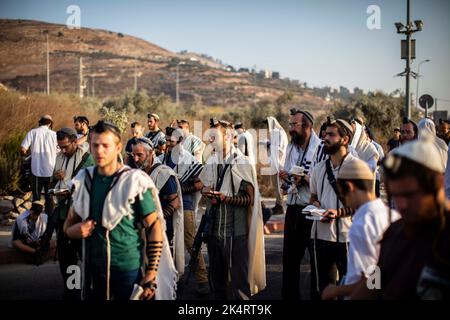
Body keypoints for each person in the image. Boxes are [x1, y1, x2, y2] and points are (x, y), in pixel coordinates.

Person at [64, 120, 177, 300]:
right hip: (94, 270)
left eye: (105, 145)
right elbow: (68, 226)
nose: (99, 151)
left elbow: (154, 226)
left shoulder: (134, 182)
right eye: (95, 145)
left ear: (118, 148)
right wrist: (76, 231)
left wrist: (151, 273)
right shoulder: (83, 180)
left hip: (128, 271)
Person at [351, 137, 450, 299]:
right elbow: (375, 282)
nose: (402, 205)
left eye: (409, 195)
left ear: (437, 183)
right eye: (396, 196)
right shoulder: (395, 231)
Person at [199, 119, 266, 300]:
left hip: (236, 235)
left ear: (227, 136)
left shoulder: (241, 162)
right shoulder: (213, 161)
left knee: (239, 286)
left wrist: (226, 198)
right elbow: (202, 185)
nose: (210, 140)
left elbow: (250, 199)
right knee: (218, 285)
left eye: (214, 136)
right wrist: (206, 192)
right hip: (214, 233)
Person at [320, 158, 400, 300]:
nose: (343, 199)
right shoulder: (392, 216)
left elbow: (372, 283)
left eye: (342, 194)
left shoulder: (362, 225)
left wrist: (335, 291)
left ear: (350, 187)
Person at [309, 117, 356, 300]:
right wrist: (316, 206)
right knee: (324, 291)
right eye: (325, 133)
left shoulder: (356, 168)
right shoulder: (319, 168)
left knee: (350, 290)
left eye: (331, 134)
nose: (325, 138)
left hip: (346, 237)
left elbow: (363, 205)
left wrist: (338, 213)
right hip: (319, 237)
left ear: (344, 139)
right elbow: (313, 196)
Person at [47, 127, 95, 300]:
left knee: (86, 255)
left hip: (82, 215)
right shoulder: (59, 156)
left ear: (75, 142)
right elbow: (54, 179)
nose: (63, 150)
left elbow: (92, 185)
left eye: (66, 146)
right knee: (67, 257)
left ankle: (90, 289)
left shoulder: (87, 159)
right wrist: (56, 177)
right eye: (60, 147)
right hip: (63, 214)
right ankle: (72, 290)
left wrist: (73, 192)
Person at [161, 127, 209, 295]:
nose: (167, 144)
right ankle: (175, 279)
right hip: (166, 207)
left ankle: (203, 279)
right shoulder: (162, 159)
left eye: (171, 141)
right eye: (166, 141)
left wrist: (180, 190)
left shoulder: (188, 160)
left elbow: (200, 183)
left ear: (180, 141)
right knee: (168, 244)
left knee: (190, 243)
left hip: (185, 206)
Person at [279, 108, 321, 300]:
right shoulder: (291, 148)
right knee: (289, 261)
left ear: (307, 126)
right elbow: (287, 176)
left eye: (294, 125)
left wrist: (305, 179)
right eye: (290, 125)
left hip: (311, 212)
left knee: (316, 262)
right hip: (293, 209)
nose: (291, 129)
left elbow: (321, 181)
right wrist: (286, 178)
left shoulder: (320, 149)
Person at [131, 136, 185, 278]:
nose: (135, 159)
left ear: (151, 153)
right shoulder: (137, 174)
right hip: (142, 232)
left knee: (161, 274)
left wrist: (157, 218)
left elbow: (175, 202)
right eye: (133, 155)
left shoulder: (164, 174)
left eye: (139, 155)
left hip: (162, 231)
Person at [20, 115, 57, 215]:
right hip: (50, 170)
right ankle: (49, 220)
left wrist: (27, 157)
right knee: (49, 197)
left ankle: (35, 218)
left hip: (36, 170)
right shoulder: (55, 135)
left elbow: (23, 148)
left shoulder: (33, 132)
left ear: (40, 122)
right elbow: (60, 151)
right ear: (50, 123)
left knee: (36, 197)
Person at [264, 117, 288, 215]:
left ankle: (281, 206)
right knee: (276, 186)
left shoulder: (280, 133)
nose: (267, 126)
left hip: (280, 164)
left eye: (267, 123)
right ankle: (278, 204)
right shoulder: (274, 133)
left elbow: (281, 149)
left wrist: (270, 145)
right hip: (274, 163)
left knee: (280, 186)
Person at [11, 200, 48, 265]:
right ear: (30, 211)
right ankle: (35, 252)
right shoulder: (21, 219)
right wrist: (27, 239)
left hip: (37, 241)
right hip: (24, 240)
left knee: (48, 241)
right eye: (33, 213)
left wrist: (38, 240)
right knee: (15, 243)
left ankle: (36, 252)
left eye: (36, 215)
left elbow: (44, 234)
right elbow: (16, 237)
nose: (34, 217)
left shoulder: (43, 218)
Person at [365, 126, 385, 198]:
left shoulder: (377, 146)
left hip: (375, 177)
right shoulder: (358, 146)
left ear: (367, 134)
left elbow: (382, 161)